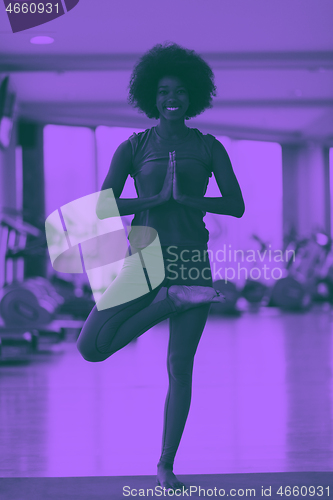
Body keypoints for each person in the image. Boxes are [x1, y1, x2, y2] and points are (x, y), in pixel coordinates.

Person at [76, 42, 245, 491]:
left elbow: (237, 205)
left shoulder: (208, 147)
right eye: (164, 90)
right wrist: (151, 199)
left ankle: (166, 464)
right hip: (144, 258)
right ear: (152, 96)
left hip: (191, 260)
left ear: (193, 98)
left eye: (182, 91)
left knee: (179, 366)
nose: (173, 98)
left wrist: (190, 198)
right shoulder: (133, 147)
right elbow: (102, 206)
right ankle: (168, 302)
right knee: (92, 346)